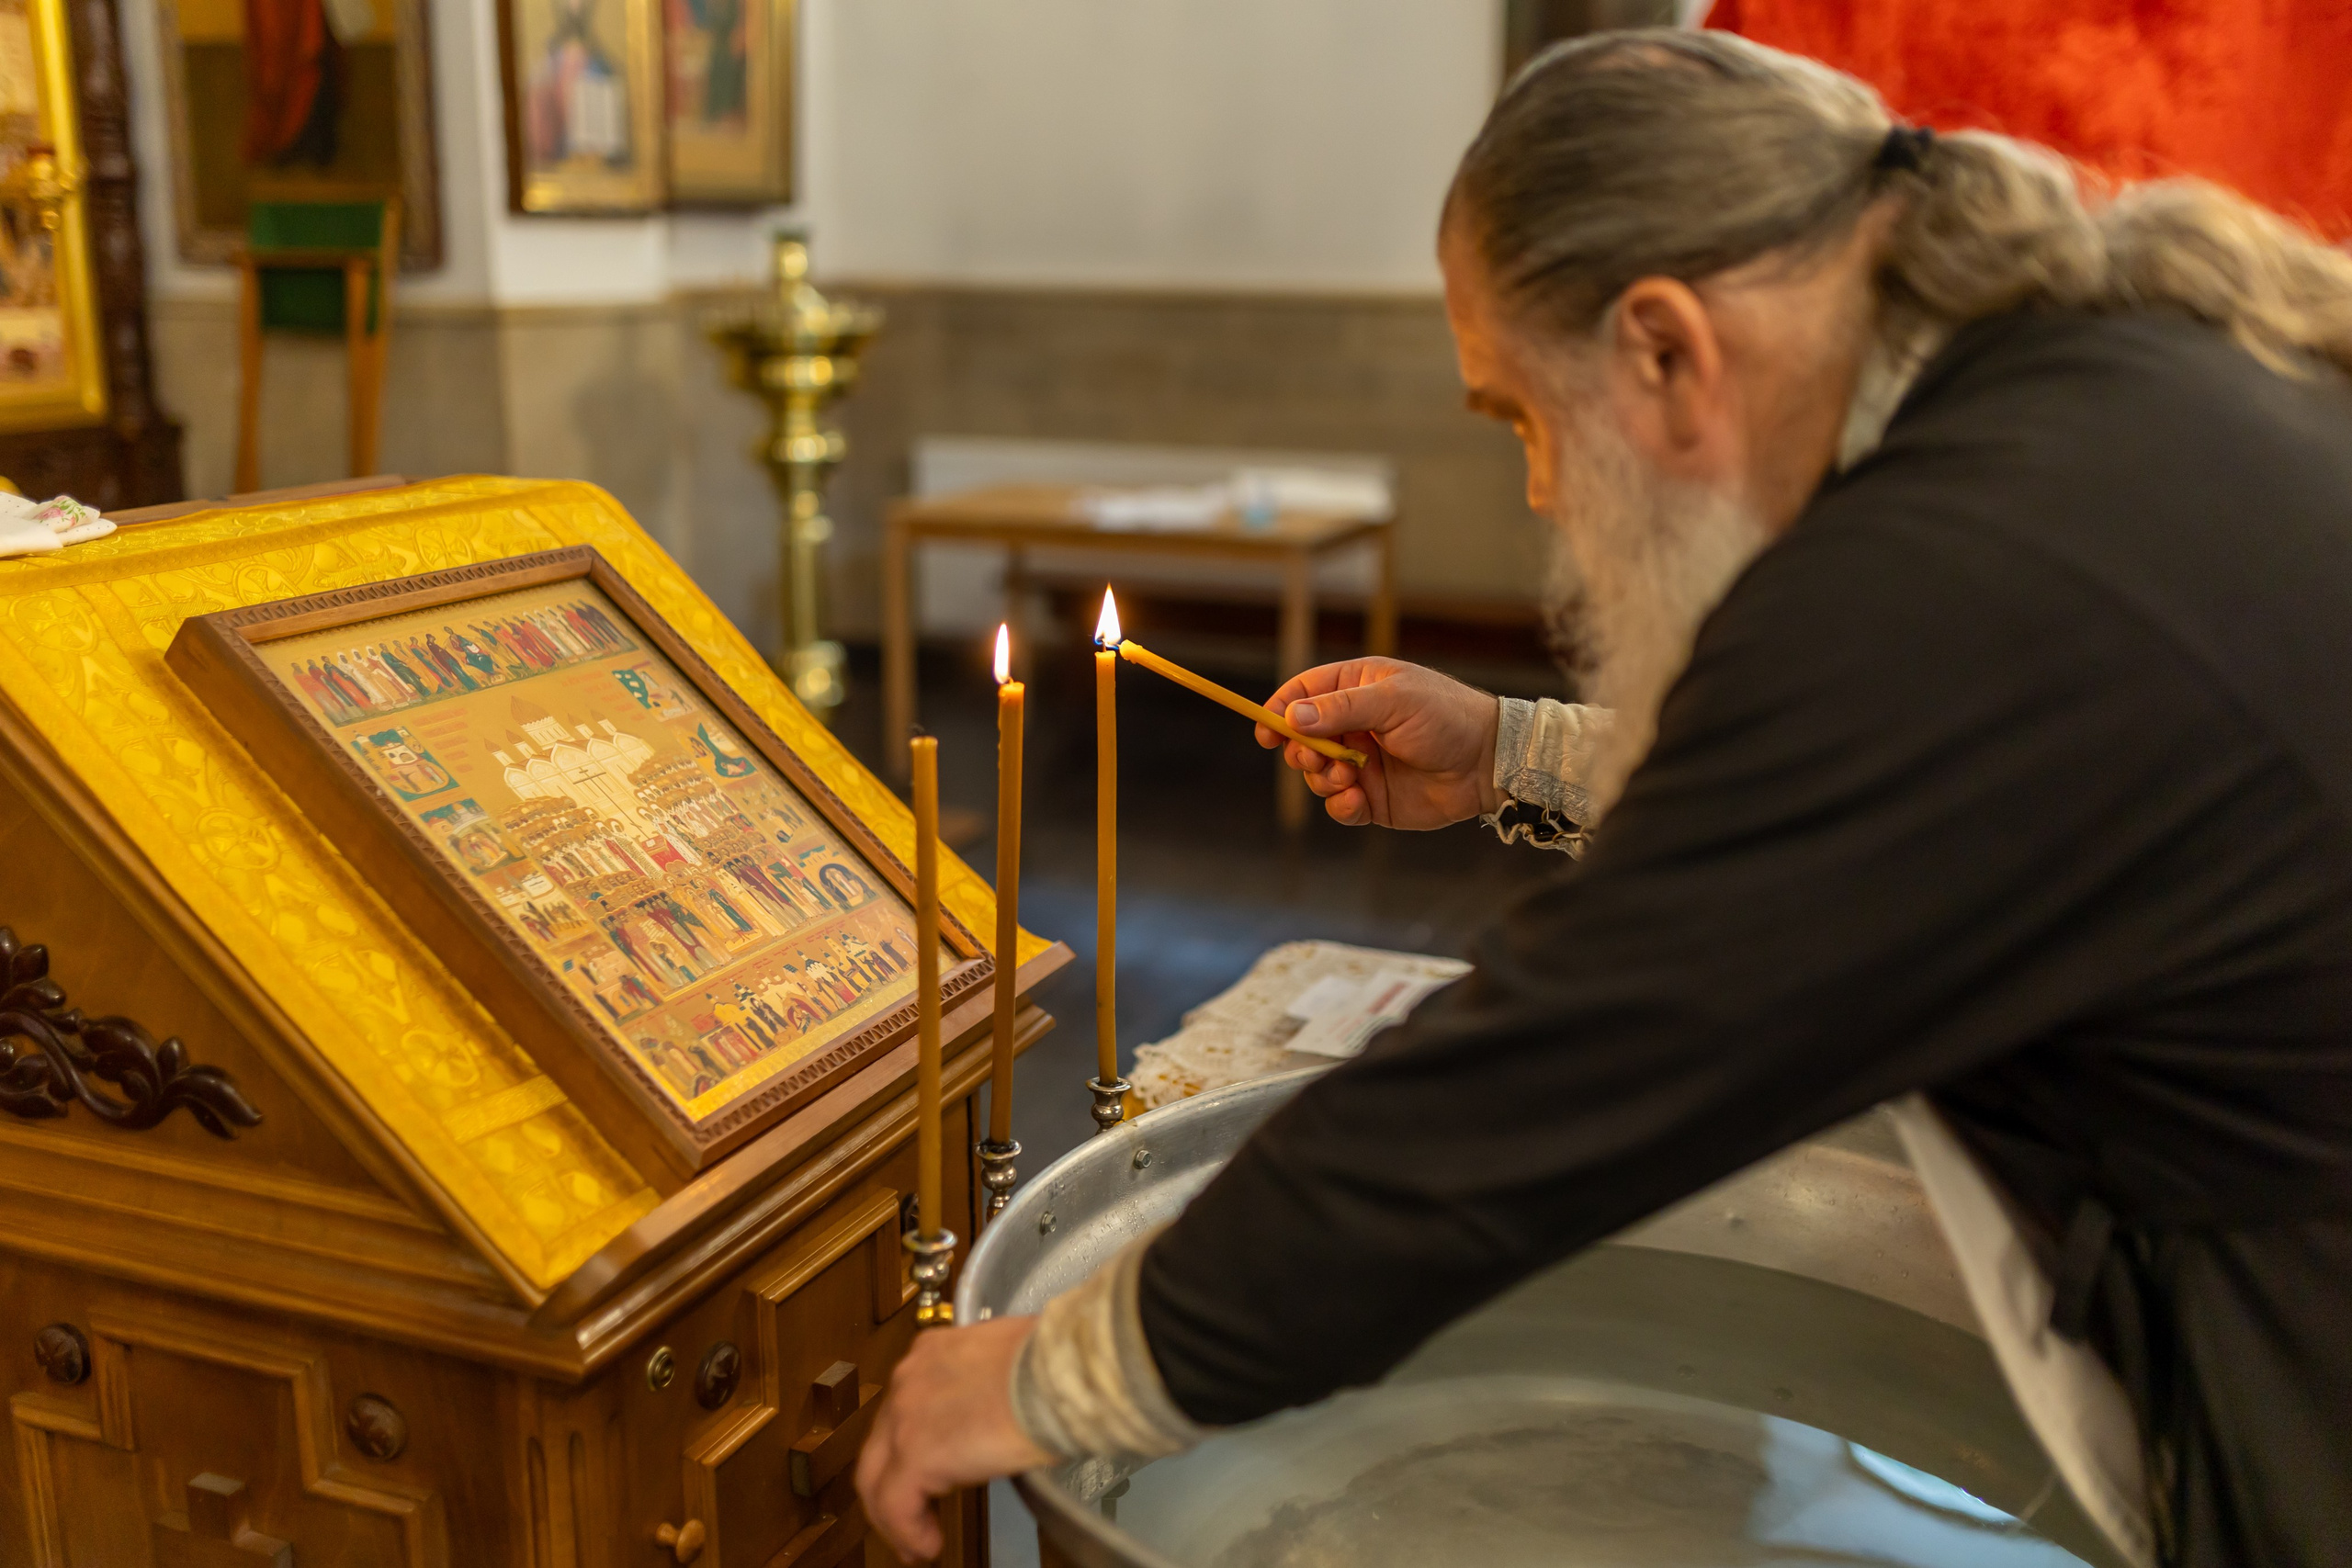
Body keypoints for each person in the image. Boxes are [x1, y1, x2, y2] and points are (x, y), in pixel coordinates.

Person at [855, 31, 2352, 1568]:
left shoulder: (1954, 567)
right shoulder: (2097, 402)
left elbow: (1556, 1074)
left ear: (1661, 349)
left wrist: (1059, 1373)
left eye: (1518, 415)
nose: (1537, 491)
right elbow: (1908, 808)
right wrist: (1512, 752)